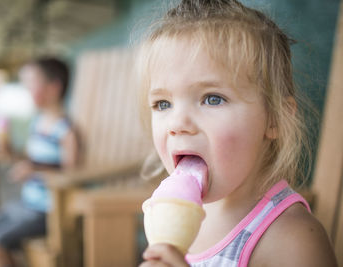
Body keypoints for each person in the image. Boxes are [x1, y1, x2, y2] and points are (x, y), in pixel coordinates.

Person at [136, 0, 338, 266]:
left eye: (212, 99)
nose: (177, 123)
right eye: (163, 104)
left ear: (274, 118)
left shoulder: (291, 239)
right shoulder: (168, 219)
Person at [0, 57, 78, 267]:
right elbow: (31, 160)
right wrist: (11, 152)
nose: (26, 90)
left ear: (53, 88)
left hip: (48, 211)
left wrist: (35, 169)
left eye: (31, 83)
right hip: (27, 203)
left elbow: (72, 174)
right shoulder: (37, 122)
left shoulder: (66, 131)